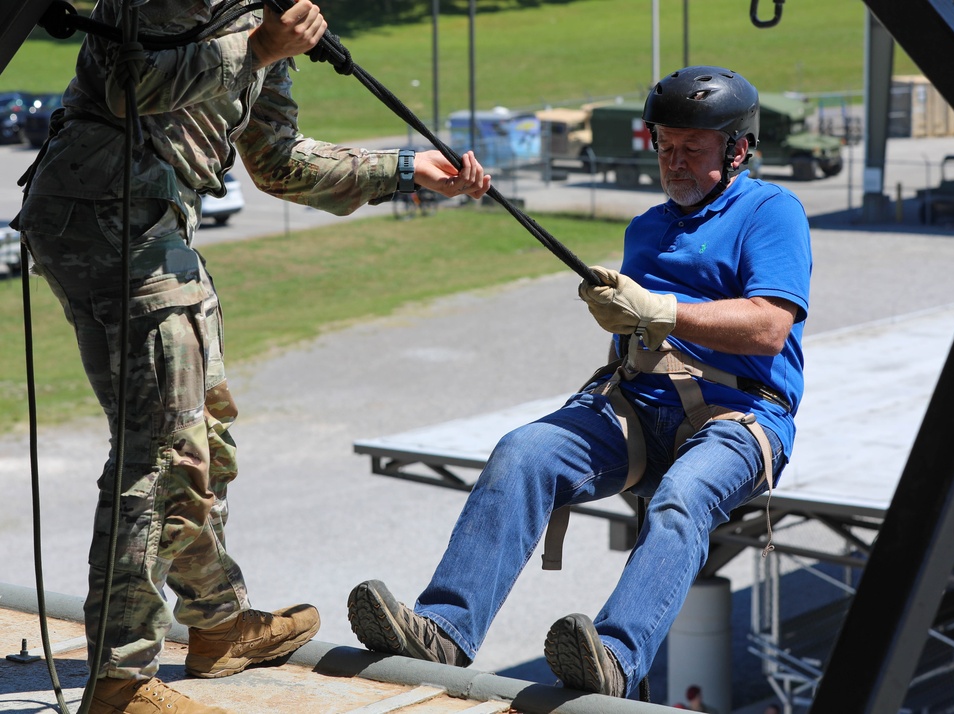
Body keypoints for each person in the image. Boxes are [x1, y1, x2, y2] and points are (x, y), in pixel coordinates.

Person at [13, 1, 489, 712]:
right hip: (112, 222)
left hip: (150, 229)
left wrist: (404, 170)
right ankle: (121, 680)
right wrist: (258, 49)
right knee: (164, 453)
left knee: (201, 435)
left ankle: (218, 622)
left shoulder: (276, 22)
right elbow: (127, 85)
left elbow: (279, 165)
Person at [347, 65, 809, 698]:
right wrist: (620, 314)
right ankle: (445, 631)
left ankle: (616, 658)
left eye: (691, 149)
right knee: (524, 451)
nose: (673, 161)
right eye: (664, 146)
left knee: (683, 495)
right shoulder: (647, 227)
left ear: (738, 149)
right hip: (636, 407)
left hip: (741, 418)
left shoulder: (772, 212)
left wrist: (661, 311)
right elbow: (638, 340)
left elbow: (769, 329)